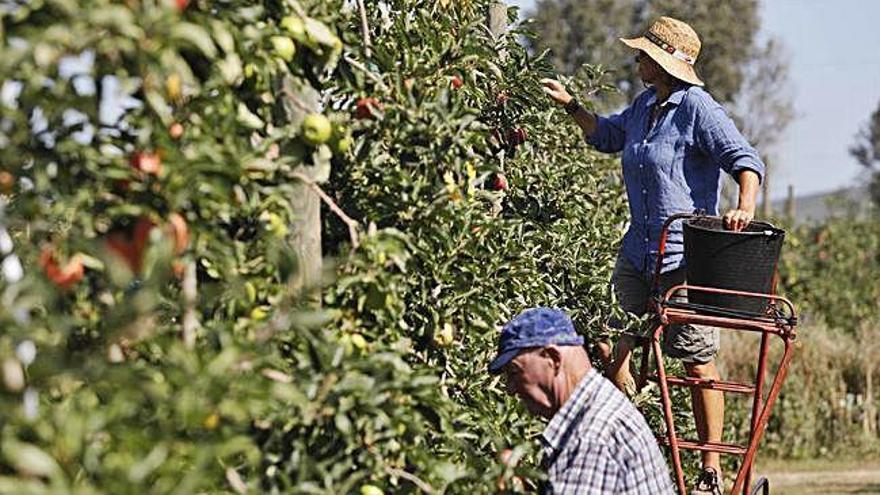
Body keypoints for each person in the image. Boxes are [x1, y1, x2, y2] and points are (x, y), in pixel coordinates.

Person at [541, 16, 766, 495]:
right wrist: (571, 106)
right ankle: (639, 443)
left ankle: (710, 468)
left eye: (643, 55)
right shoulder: (644, 106)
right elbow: (606, 135)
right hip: (639, 250)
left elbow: (745, 161)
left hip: (685, 258)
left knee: (695, 359)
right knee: (614, 340)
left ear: (664, 63)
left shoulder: (698, 109)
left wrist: (743, 209)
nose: (636, 60)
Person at [489, 307, 674, 494]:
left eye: (514, 372)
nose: (510, 389)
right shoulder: (598, 406)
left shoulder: (589, 440)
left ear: (553, 359)